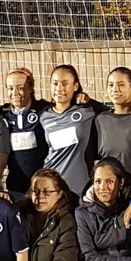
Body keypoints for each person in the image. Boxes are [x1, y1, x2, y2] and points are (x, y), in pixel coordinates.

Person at [40, 64, 103, 196]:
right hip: (52, 186)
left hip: (80, 186)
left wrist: (88, 99)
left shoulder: (87, 110)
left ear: (75, 86)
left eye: (65, 84)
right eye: (55, 84)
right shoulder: (43, 116)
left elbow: (111, 113)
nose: (59, 89)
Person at [0, 67, 50, 199]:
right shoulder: (2, 115)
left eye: (20, 88)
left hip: (44, 186)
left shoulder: (45, 110)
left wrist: (82, 98)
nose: (15, 93)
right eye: (10, 88)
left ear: (31, 88)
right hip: (15, 187)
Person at [96, 67, 131, 179]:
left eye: (121, 85)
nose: (115, 89)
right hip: (108, 189)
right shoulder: (101, 120)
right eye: (111, 85)